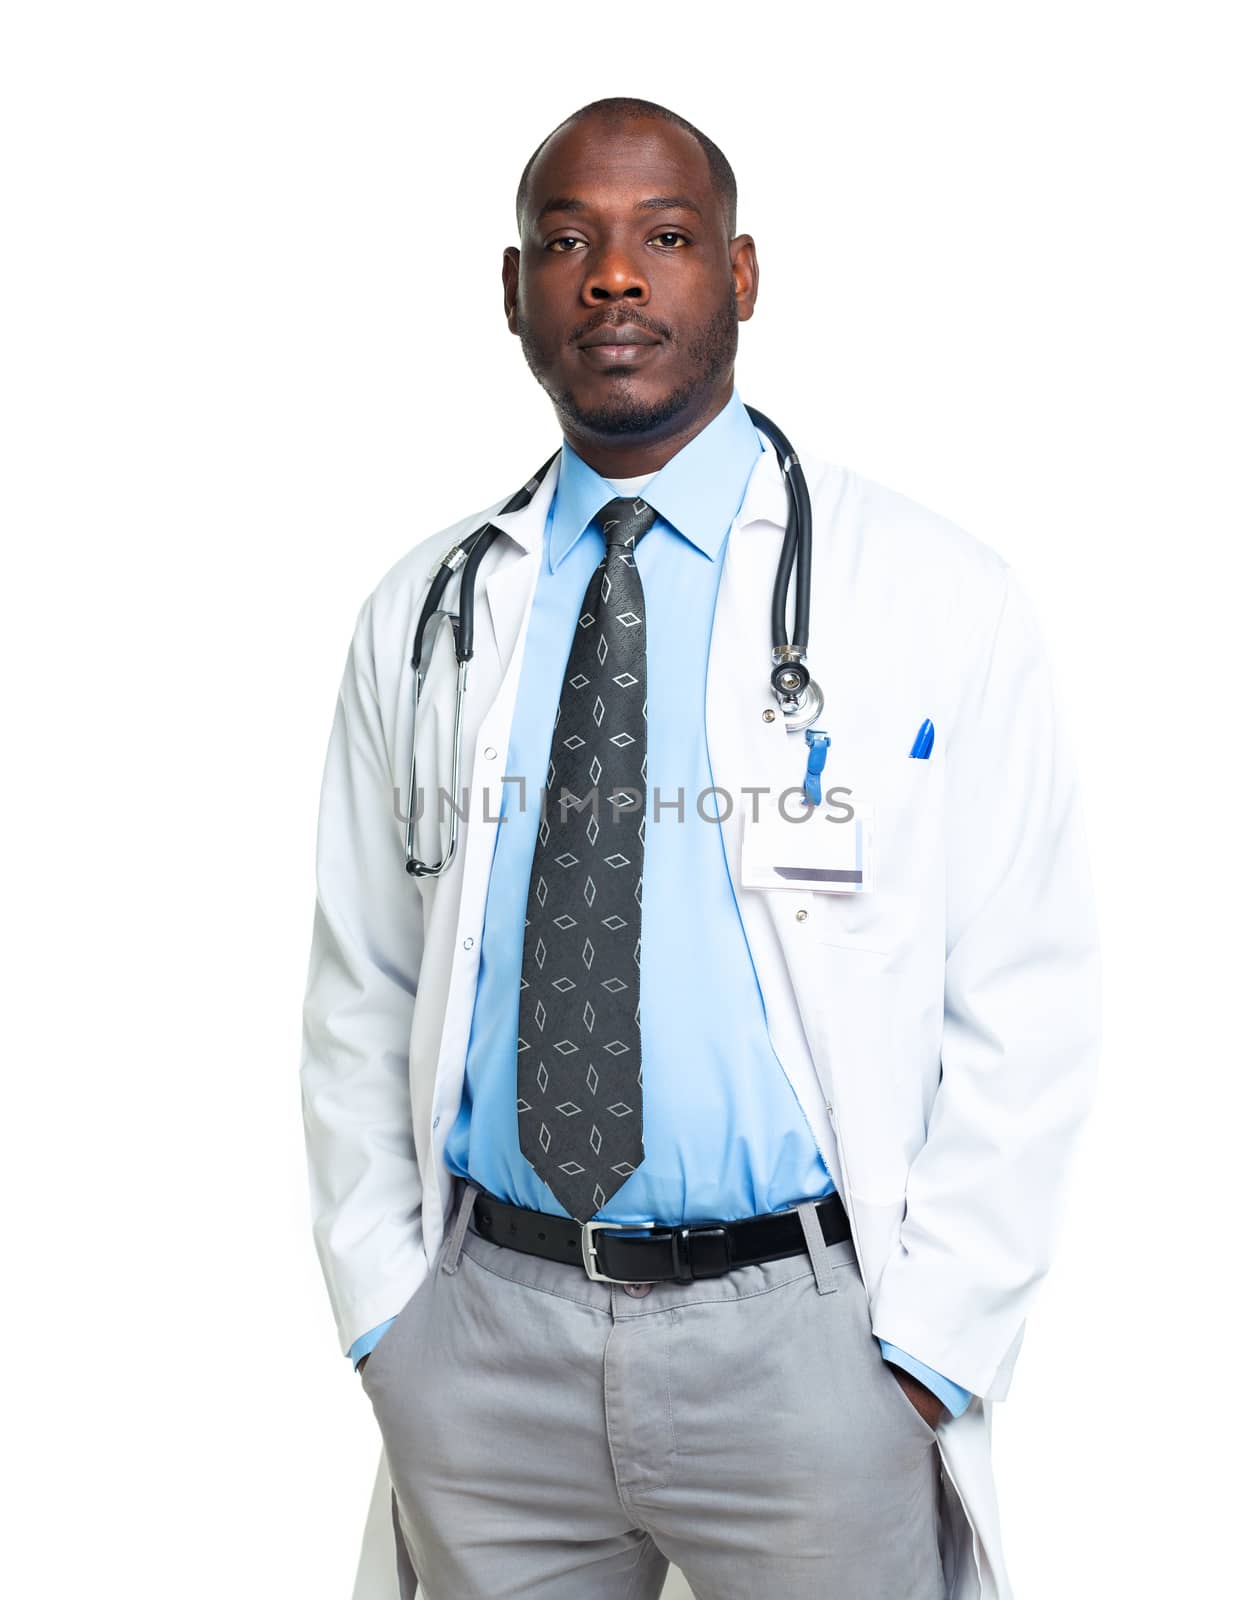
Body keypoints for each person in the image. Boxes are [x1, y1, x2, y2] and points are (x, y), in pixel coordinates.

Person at [301, 97, 1100, 1600]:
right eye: (568, 243)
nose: (615, 277)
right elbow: (362, 989)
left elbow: (1027, 997)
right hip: (485, 1346)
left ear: (740, 275)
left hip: (809, 1355)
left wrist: (925, 1354)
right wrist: (388, 1317)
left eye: (663, 238)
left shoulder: (931, 594)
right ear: (514, 294)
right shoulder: (422, 617)